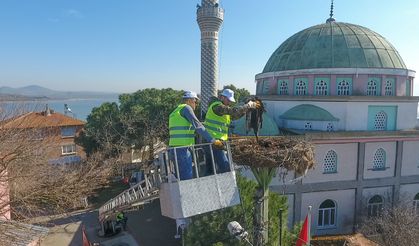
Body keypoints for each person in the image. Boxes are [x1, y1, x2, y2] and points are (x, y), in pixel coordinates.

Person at [168, 91, 223, 180]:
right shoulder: (187, 108)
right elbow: (198, 126)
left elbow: (187, 126)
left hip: (173, 150)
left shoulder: (175, 111)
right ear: (189, 100)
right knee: (186, 180)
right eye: (195, 101)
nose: (196, 104)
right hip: (183, 150)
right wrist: (213, 140)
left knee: (180, 179)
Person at [204, 88, 260, 173]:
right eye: (228, 100)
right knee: (226, 169)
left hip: (212, 141)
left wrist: (248, 109)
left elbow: (235, 115)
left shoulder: (222, 110)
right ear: (222, 97)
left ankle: (208, 185)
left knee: (210, 170)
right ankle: (227, 186)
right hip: (215, 142)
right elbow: (233, 111)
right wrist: (248, 105)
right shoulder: (217, 106)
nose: (230, 103)